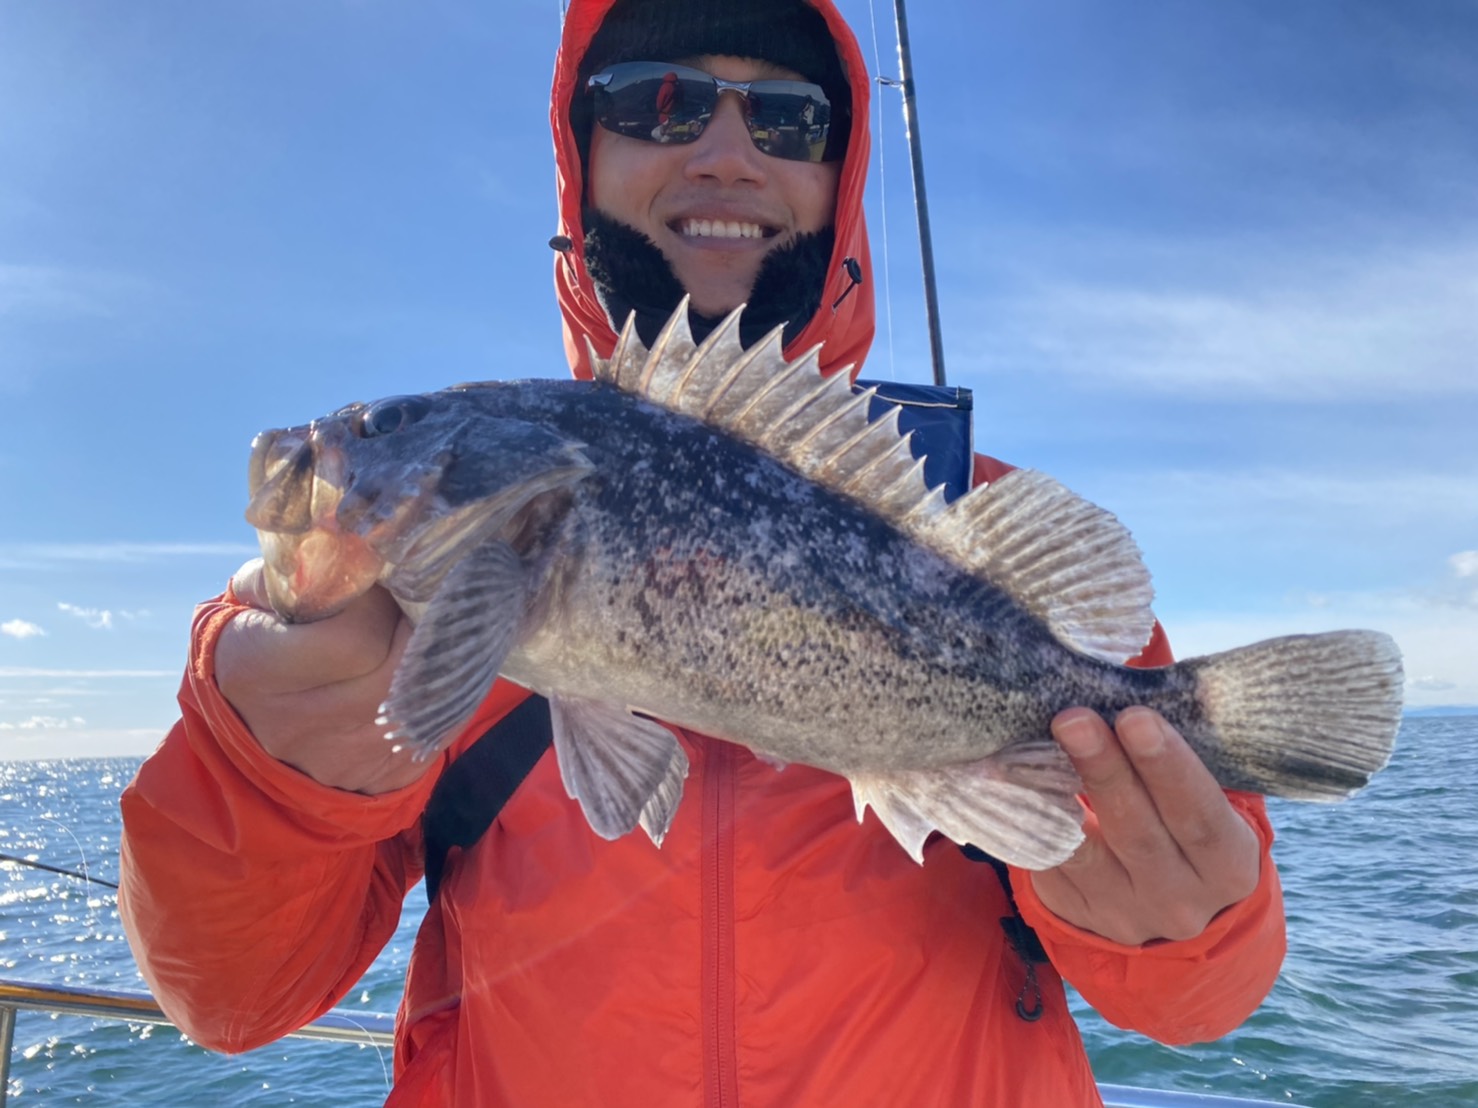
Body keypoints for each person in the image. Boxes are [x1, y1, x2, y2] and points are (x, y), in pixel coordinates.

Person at [119, 1, 1286, 1104]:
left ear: (843, 175)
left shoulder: (967, 524)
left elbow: (1199, 999)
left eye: (786, 118)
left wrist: (1187, 932)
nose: (725, 155)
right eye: (657, 103)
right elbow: (232, 1003)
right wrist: (262, 766)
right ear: (581, 157)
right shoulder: (367, 632)